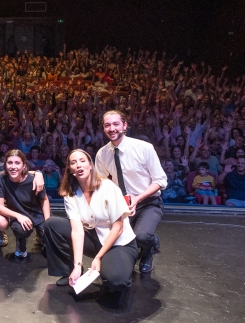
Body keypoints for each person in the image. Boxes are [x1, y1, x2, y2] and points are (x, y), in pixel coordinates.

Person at [42, 149, 139, 307]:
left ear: (90, 165)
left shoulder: (108, 187)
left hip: (119, 243)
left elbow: (118, 228)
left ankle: (119, 265)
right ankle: (69, 273)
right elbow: (77, 231)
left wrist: (98, 257)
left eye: (82, 161)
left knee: (116, 281)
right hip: (95, 239)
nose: (78, 165)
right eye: (73, 163)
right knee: (51, 224)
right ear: (70, 170)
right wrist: (77, 265)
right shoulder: (70, 194)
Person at [94, 110, 167, 273]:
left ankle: (149, 248)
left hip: (148, 203)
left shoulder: (144, 148)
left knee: (142, 236)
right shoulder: (102, 154)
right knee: (118, 239)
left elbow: (161, 180)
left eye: (116, 124)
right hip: (121, 205)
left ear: (125, 125)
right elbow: (101, 183)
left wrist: (138, 198)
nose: (112, 128)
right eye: (107, 125)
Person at [0, 150, 51, 259]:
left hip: (36, 213)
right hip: (17, 213)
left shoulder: (34, 179)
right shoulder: (0, 178)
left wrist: (48, 221)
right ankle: (21, 243)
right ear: (5, 165)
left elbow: (44, 200)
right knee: (20, 230)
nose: (13, 166)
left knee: (50, 237)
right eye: (10, 163)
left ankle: (43, 240)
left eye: (17, 163)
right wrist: (19, 216)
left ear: (24, 165)